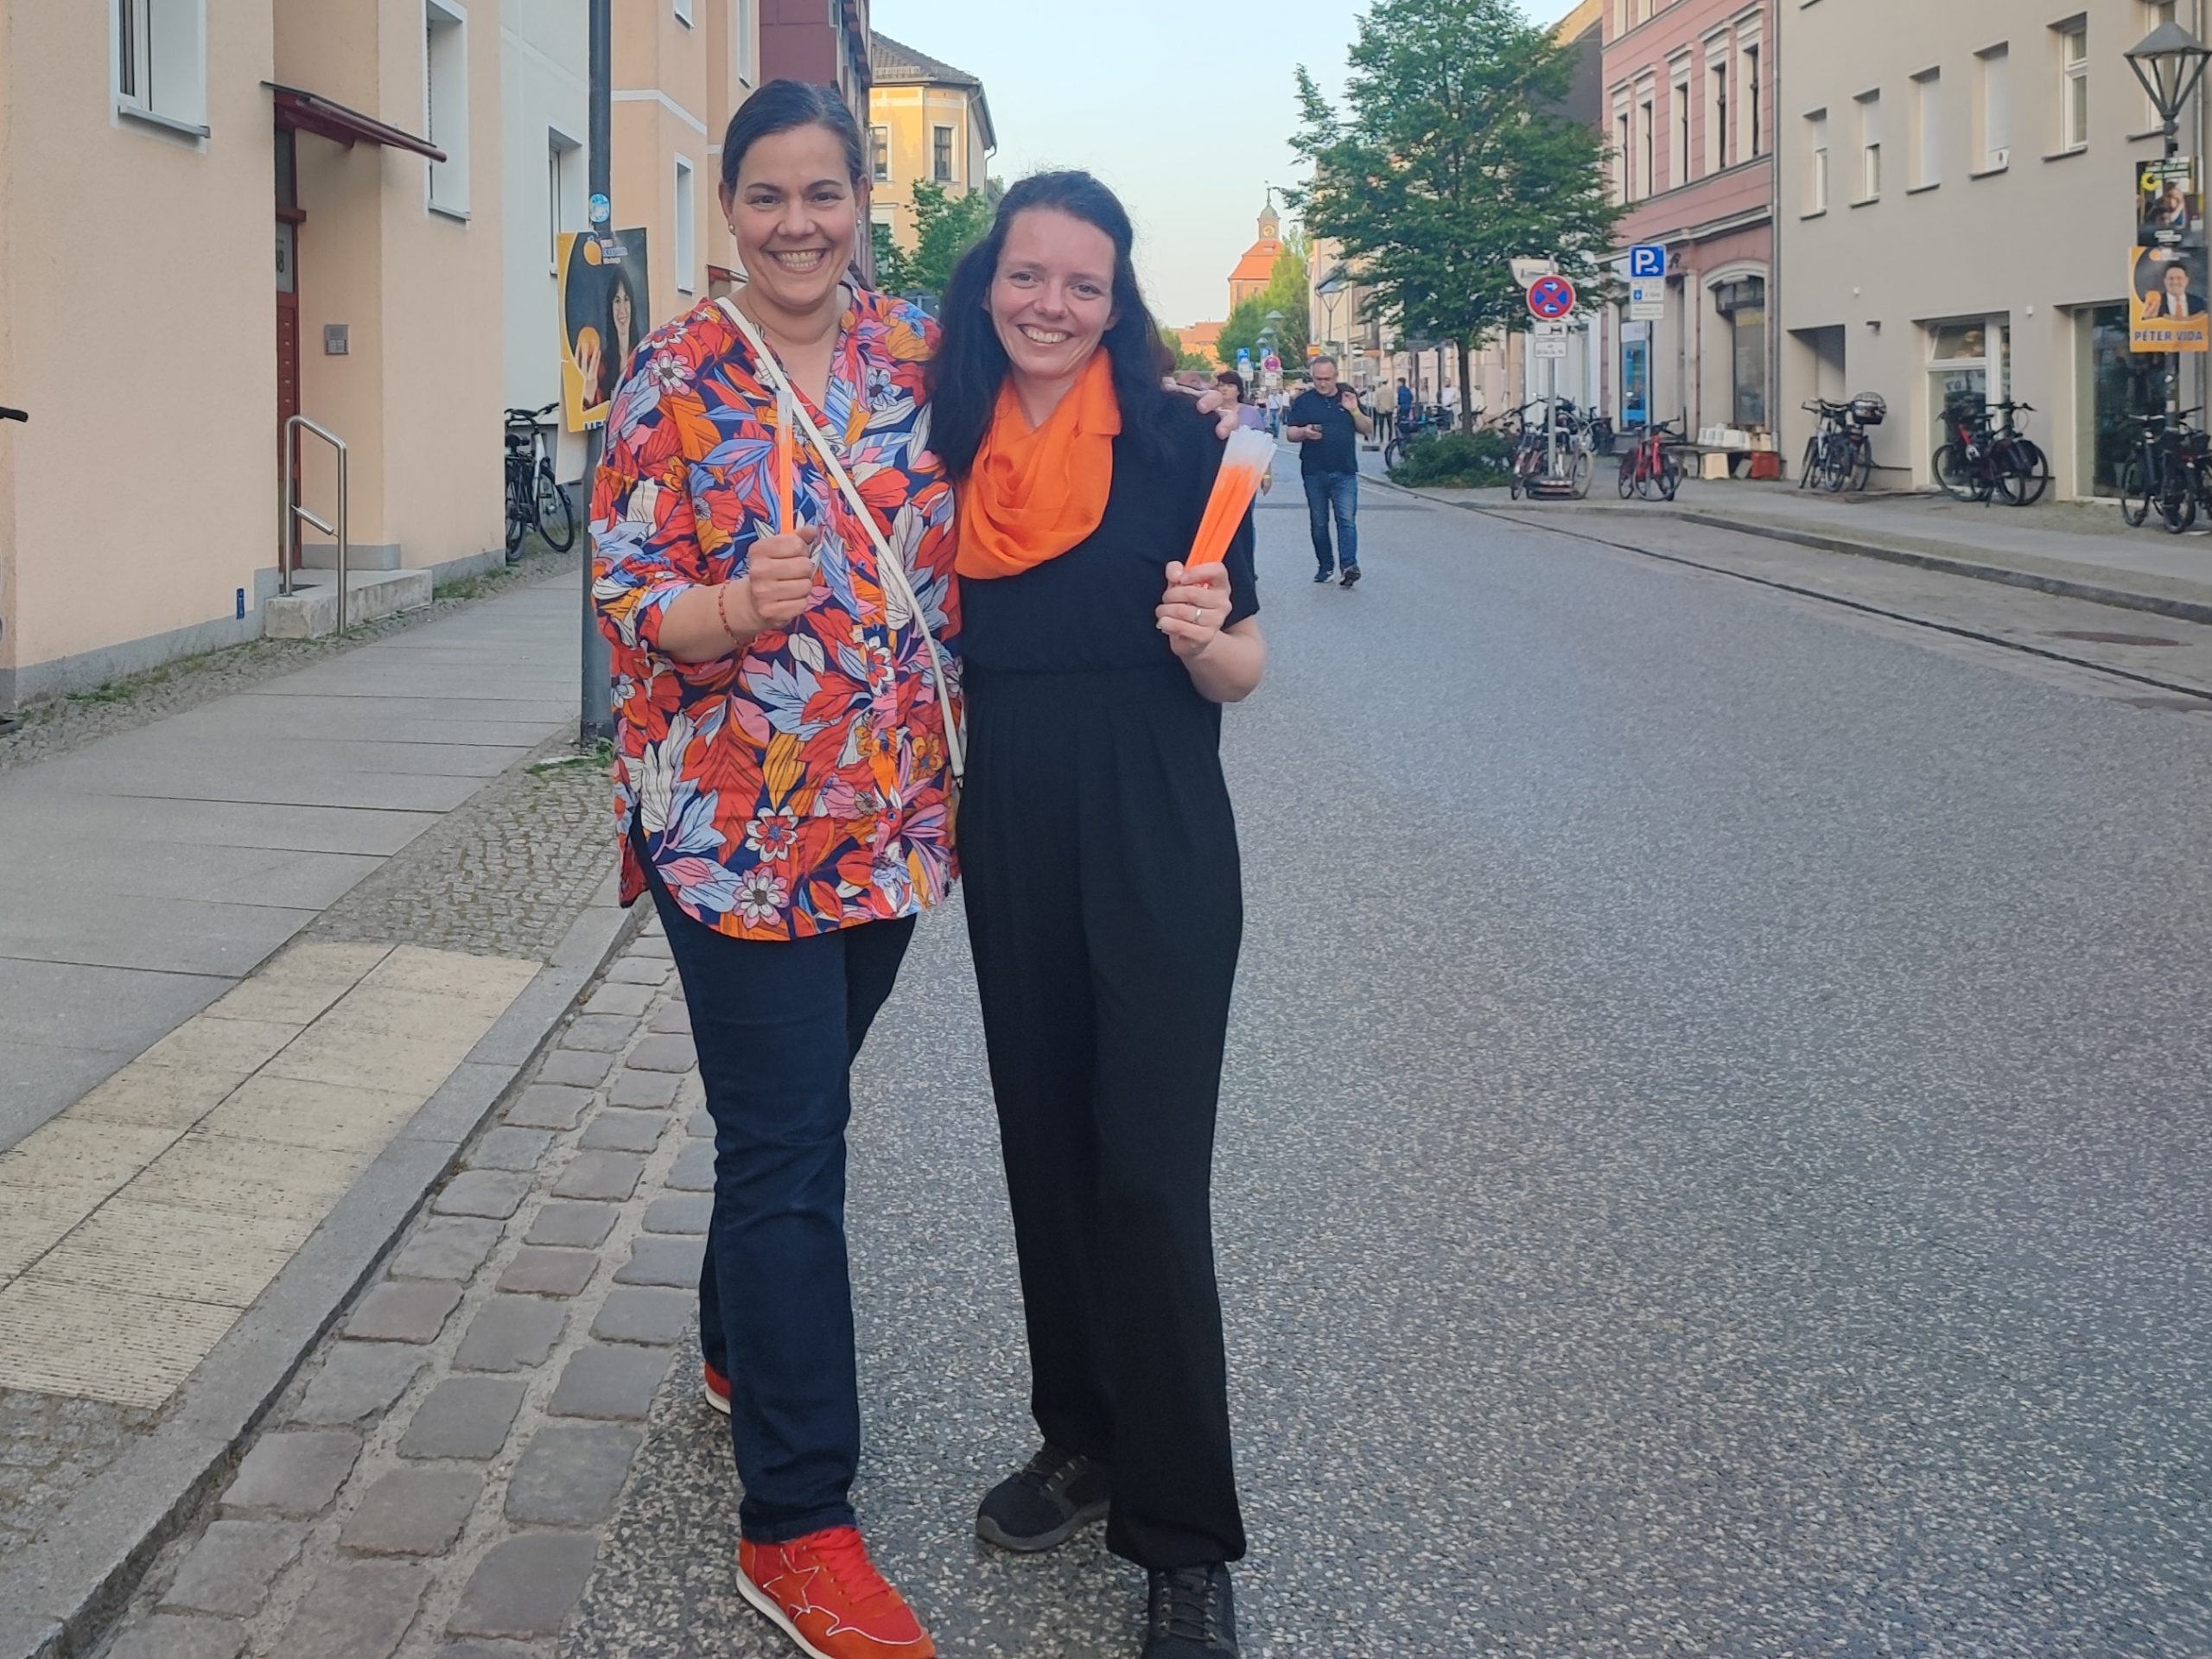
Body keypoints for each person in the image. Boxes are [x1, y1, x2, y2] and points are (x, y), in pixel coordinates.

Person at [589, 80, 958, 1659]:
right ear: (728, 211)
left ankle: (739, 1332)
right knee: (793, 1143)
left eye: (826, 194)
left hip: (889, 819)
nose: (798, 224)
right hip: (726, 831)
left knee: (801, 1116)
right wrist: (735, 608)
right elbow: (627, 610)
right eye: (768, 198)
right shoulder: (668, 380)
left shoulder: (921, 358)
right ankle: (797, 1522)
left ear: (860, 201)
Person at [928, 169, 1266, 1659]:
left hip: (1154, 822)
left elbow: (1242, 664)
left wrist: (1208, 644)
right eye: (1027, 276)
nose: (1051, 304)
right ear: (987, 287)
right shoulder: (943, 439)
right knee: (1048, 1152)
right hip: (1008, 815)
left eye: (1082, 282)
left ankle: (1185, 1536)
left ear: (1116, 298)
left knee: (1147, 1176)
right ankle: (1083, 1438)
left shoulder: (1186, 448)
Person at [1286, 354, 1370, 588]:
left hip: (1345, 471)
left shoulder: (1347, 397)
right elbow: (1290, 433)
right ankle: (1325, 567)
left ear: (1336, 377)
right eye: (1318, 379)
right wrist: (1304, 432)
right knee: (1319, 522)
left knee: (1346, 520)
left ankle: (1349, 566)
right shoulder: (1304, 401)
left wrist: (1353, 410)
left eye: (1327, 379)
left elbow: (1367, 429)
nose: (1323, 384)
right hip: (1314, 471)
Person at [576, 264, 641, 409]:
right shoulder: (602, 365)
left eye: (626, 299)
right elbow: (591, 416)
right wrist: (588, 394)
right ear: (610, 307)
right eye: (617, 301)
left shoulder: (643, 357)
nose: (622, 309)